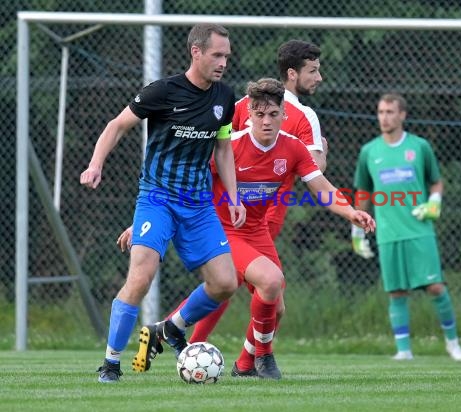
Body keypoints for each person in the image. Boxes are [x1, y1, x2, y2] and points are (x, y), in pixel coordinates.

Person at [120, 78, 375, 379]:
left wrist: (350, 212)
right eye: (259, 114)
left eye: (273, 114)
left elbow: (321, 187)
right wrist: (142, 221)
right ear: (249, 114)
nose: (266, 121)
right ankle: (263, 359)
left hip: (256, 231)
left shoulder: (292, 148)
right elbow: (183, 184)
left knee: (276, 307)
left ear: (283, 114)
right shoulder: (230, 147)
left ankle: (210, 350)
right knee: (270, 280)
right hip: (221, 230)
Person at [80, 23, 246, 383]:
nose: (223, 63)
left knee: (225, 283)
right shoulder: (163, 91)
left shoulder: (224, 98)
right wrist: (96, 164)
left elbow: (222, 149)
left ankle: (172, 327)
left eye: (227, 57)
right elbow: (116, 125)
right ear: (196, 52)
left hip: (199, 205)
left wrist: (233, 196)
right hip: (157, 197)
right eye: (217, 55)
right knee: (141, 277)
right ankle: (110, 363)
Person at [184, 39, 328, 345]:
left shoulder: (243, 106)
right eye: (313, 71)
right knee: (237, 286)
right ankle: (183, 339)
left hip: (250, 217)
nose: (319, 78)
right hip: (248, 216)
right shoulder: (302, 115)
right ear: (292, 73)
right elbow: (314, 167)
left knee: (244, 292)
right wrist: (320, 152)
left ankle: (184, 340)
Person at [352, 92, 461, 362]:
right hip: (388, 234)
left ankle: (453, 344)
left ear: (402, 115)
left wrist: (434, 203)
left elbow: (436, 182)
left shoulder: (420, 147)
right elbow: (363, 192)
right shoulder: (369, 151)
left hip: (419, 230)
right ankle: (404, 350)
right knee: (396, 292)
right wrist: (357, 230)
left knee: (435, 287)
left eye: (390, 112)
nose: (384, 117)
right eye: (380, 112)